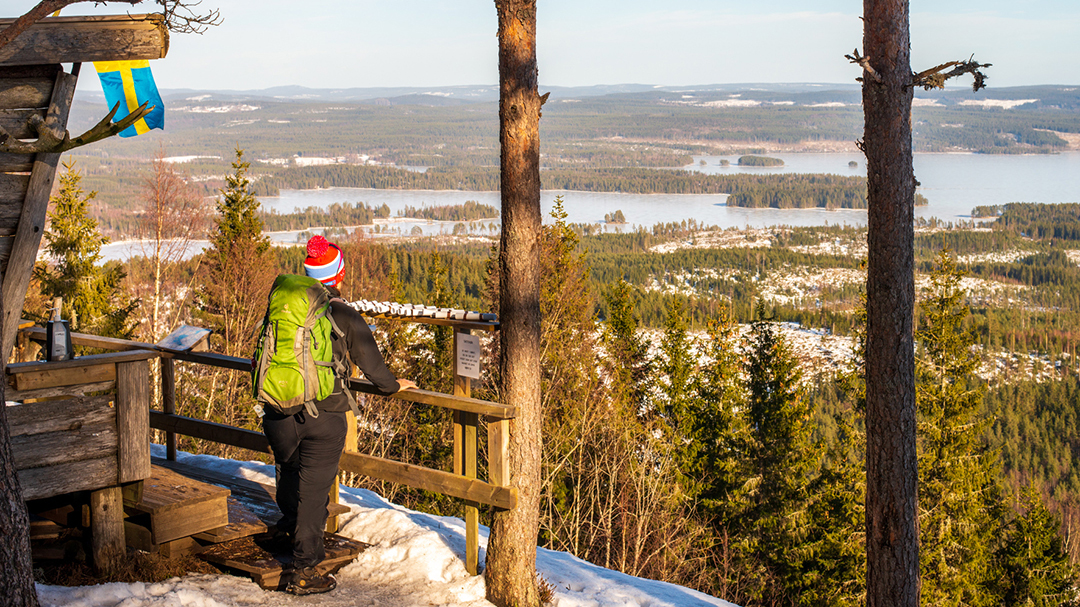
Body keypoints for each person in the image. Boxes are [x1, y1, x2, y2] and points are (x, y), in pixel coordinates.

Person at [262, 235, 416, 595]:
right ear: (338, 275)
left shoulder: (283, 308)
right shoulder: (344, 314)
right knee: (314, 492)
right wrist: (396, 385)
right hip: (325, 415)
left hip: (279, 409)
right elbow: (376, 371)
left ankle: (289, 531)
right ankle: (304, 571)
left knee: (289, 470)